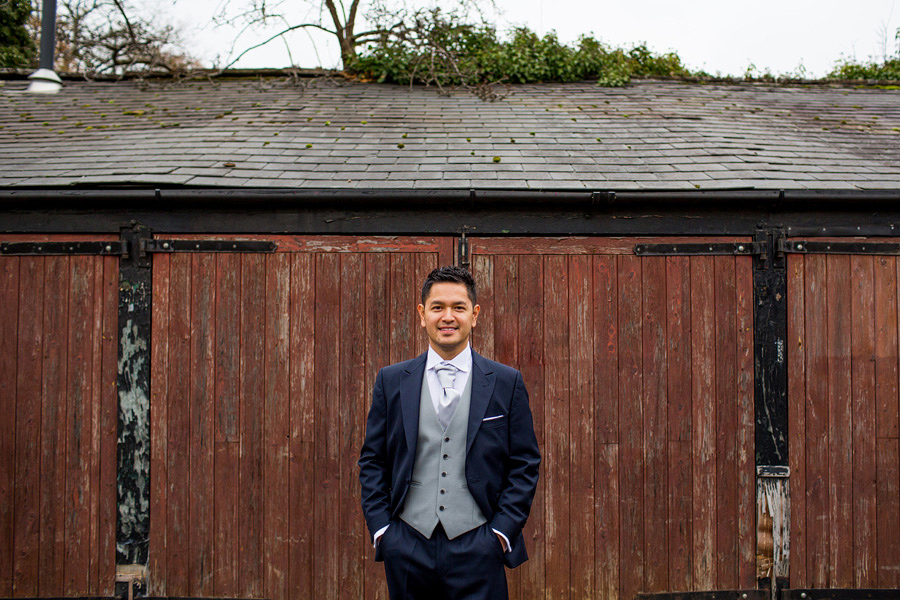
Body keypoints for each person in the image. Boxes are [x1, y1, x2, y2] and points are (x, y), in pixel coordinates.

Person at [359, 265, 541, 600]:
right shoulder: (392, 380)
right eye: (437, 307)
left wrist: (500, 534)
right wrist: (384, 531)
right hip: (408, 545)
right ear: (422, 313)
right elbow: (372, 460)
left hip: (479, 544)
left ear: (475, 315)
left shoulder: (505, 381)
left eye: (458, 307)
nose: (448, 316)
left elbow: (525, 464)